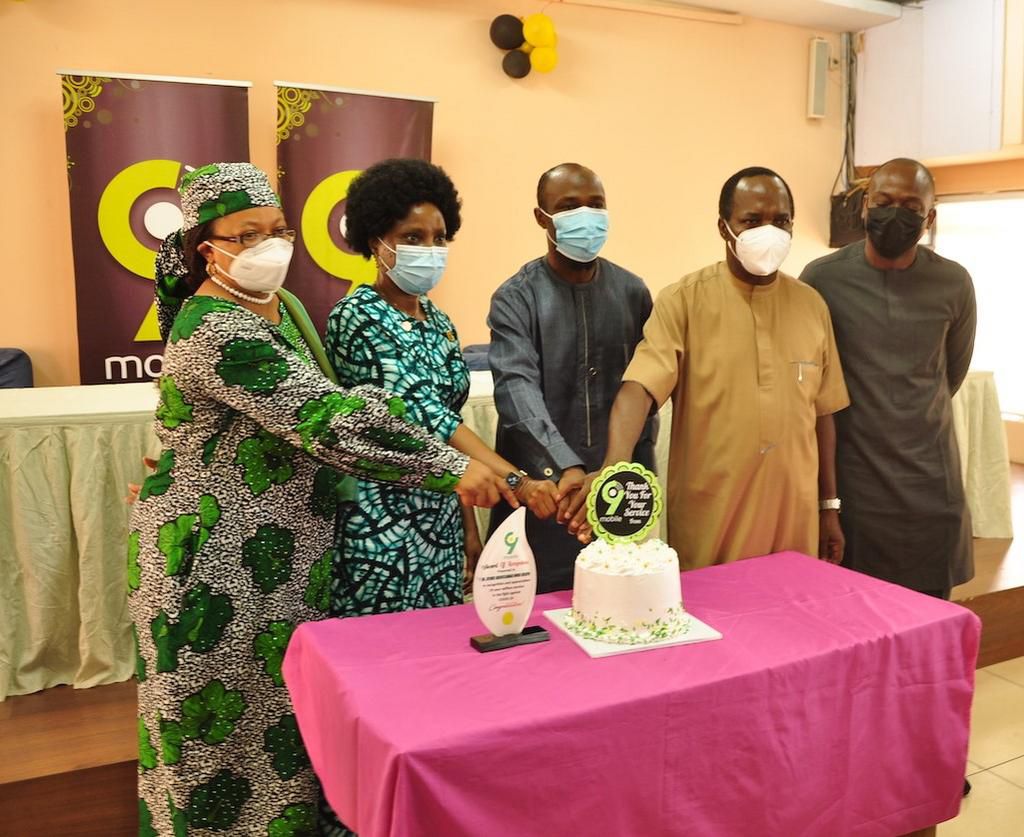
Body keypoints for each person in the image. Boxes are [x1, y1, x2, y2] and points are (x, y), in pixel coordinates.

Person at [130, 163, 513, 837]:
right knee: (217, 745)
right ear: (204, 249)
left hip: (277, 561)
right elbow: (329, 420)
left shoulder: (285, 309)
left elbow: (349, 405)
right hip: (214, 570)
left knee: (282, 737)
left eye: (277, 229)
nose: (269, 245)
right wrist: (450, 467)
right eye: (247, 234)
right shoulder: (214, 329)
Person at [567, 166, 849, 570]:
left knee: (793, 623)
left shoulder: (812, 306)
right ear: (724, 227)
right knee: (714, 626)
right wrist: (613, 467)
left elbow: (823, 414)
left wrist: (828, 507)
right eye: (752, 221)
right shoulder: (683, 301)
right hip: (713, 521)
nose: (768, 232)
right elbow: (639, 388)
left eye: (780, 221)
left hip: (795, 522)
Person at [324, 158, 551, 617]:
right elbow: (425, 415)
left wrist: (469, 525)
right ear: (377, 242)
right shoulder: (356, 315)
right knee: (383, 659)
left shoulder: (440, 323)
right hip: (379, 520)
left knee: (438, 653)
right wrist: (517, 482)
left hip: (441, 514)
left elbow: (452, 422)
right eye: (413, 238)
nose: (430, 248)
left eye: (439, 238)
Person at [800, 158, 976, 598]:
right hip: (855, 490)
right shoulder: (822, 280)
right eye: (883, 201)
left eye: (911, 205)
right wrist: (827, 503)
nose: (895, 213)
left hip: (931, 488)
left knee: (925, 632)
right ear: (864, 206)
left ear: (930, 217)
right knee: (853, 626)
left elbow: (950, 375)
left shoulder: (954, 284)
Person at [487, 163, 656, 592]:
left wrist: (624, 474)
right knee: (537, 620)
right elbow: (515, 389)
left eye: (595, 205)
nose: (586, 215)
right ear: (542, 218)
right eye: (568, 206)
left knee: (620, 611)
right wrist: (567, 467)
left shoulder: (633, 291)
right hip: (545, 496)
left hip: (617, 493)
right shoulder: (516, 297)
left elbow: (645, 388)